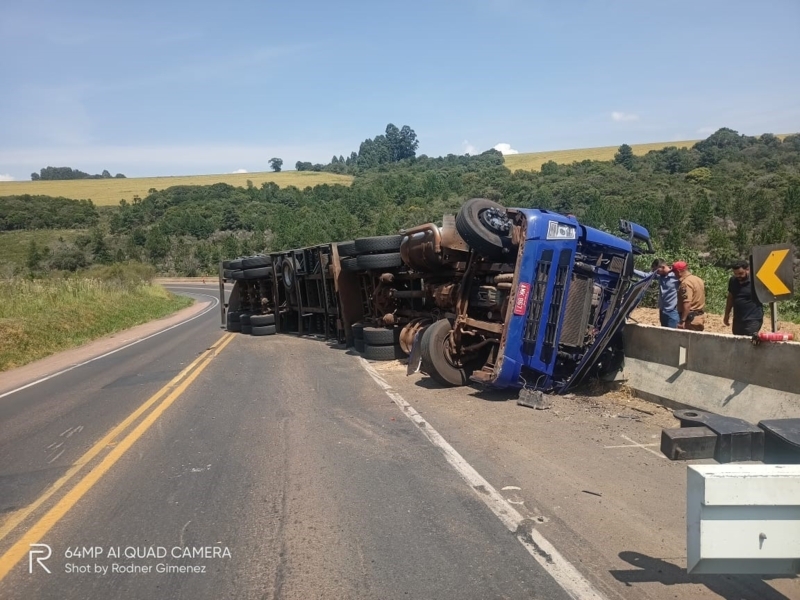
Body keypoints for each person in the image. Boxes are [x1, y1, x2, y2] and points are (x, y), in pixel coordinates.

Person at [723, 260, 763, 336]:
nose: (738, 276)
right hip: (738, 320)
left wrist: (775, 320)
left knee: (748, 341)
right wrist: (726, 314)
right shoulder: (733, 281)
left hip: (753, 319)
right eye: (736, 274)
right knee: (737, 341)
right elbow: (730, 298)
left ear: (747, 270)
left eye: (741, 273)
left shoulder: (756, 281)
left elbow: (769, 297)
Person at [673, 261, 706, 331]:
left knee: (687, 341)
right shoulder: (698, 279)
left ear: (678, 271)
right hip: (699, 317)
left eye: (674, 272)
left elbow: (687, 303)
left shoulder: (685, 283)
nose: (674, 274)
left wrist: (682, 321)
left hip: (690, 320)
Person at [651, 258, 680, 328]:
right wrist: (631, 270)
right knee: (664, 334)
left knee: (672, 335)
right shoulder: (660, 276)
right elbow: (646, 276)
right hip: (662, 312)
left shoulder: (676, 276)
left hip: (672, 312)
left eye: (657, 270)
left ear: (663, 267)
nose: (656, 272)